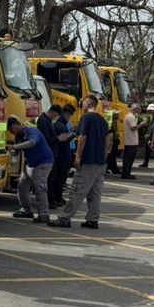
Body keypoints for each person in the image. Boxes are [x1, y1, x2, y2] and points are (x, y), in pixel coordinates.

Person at [51, 95, 109, 229]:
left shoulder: (86, 118)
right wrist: (104, 158)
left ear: (89, 104)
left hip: (88, 160)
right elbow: (107, 142)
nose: (81, 106)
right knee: (95, 192)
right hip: (100, 162)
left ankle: (65, 218)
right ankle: (93, 219)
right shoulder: (103, 121)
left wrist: (77, 157)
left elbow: (82, 138)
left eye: (83, 103)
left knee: (77, 190)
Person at [8, 116, 54, 222]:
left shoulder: (31, 131)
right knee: (22, 186)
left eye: (11, 129)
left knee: (39, 188)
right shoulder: (18, 136)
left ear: (16, 125)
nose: (11, 132)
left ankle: (44, 214)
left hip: (43, 162)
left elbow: (32, 143)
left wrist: (15, 147)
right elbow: (17, 152)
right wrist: (12, 151)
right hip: (31, 164)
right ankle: (26, 210)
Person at [120, 103, 141, 180]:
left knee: (128, 158)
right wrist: (142, 124)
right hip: (131, 141)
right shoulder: (131, 117)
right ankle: (126, 173)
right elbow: (133, 127)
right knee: (129, 158)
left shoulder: (130, 116)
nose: (139, 111)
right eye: (139, 109)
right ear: (135, 109)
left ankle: (126, 173)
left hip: (130, 141)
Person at [141, 102, 154, 169]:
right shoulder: (151, 117)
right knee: (147, 150)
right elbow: (150, 127)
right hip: (149, 135)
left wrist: (150, 137)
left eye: (151, 110)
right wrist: (147, 133)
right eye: (149, 110)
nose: (150, 112)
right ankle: (145, 163)